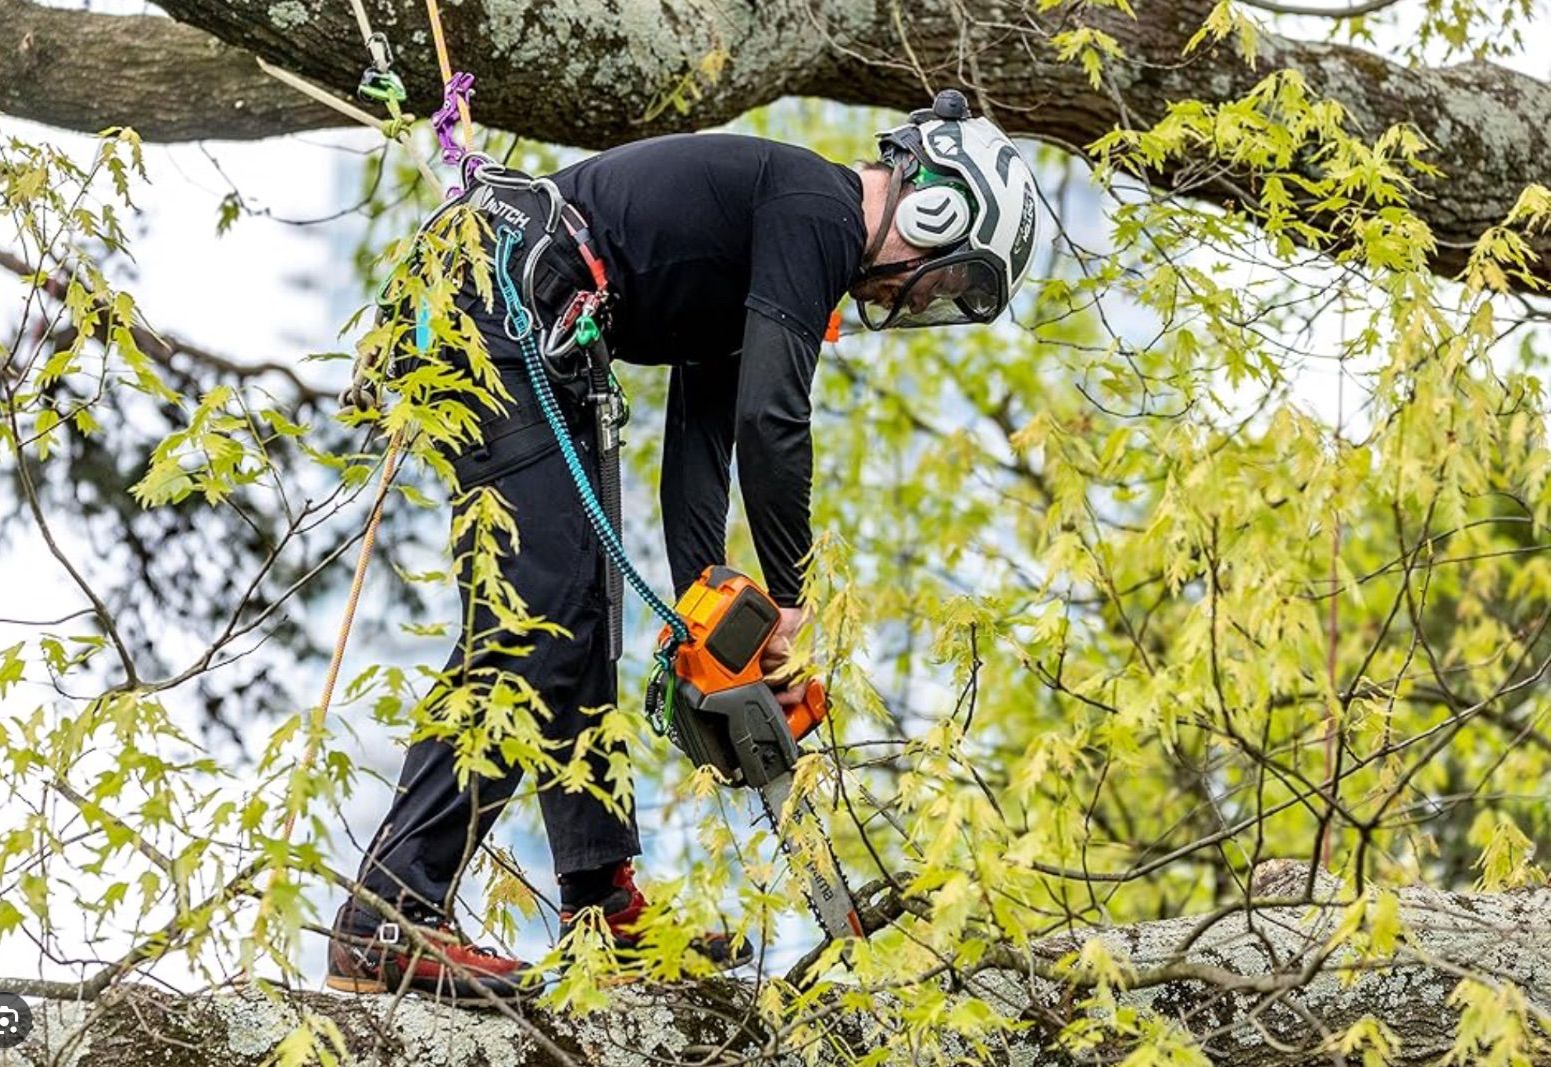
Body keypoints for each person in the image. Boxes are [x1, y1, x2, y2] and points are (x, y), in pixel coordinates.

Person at [326, 89, 1039, 1000]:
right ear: (937, 206)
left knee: (577, 616)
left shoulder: (770, 253)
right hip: (494, 292)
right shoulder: (818, 208)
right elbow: (773, 421)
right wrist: (788, 594)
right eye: (944, 278)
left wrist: (707, 604)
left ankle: (603, 907)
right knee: (536, 616)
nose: (924, 297)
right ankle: (386, 912)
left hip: (531, 322)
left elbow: (702, 447)